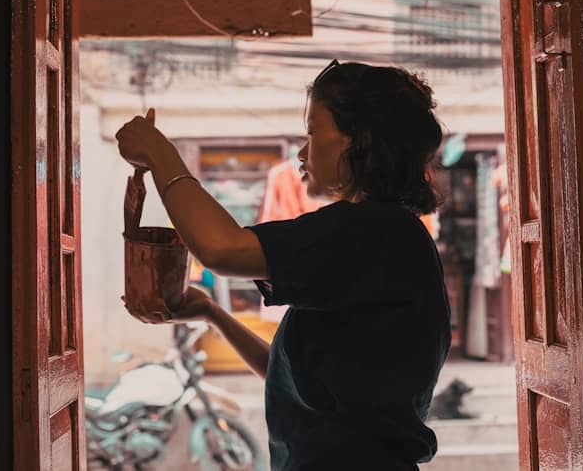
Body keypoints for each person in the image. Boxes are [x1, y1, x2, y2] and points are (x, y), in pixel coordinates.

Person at [115, 59, 452, 471]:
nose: (303, 151)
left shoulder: (369, 230)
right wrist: (213, 313)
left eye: (313, 131)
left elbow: (222, 248)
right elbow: (291, 378)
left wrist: (159, 153)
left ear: (357, 139)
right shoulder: (386, 233)